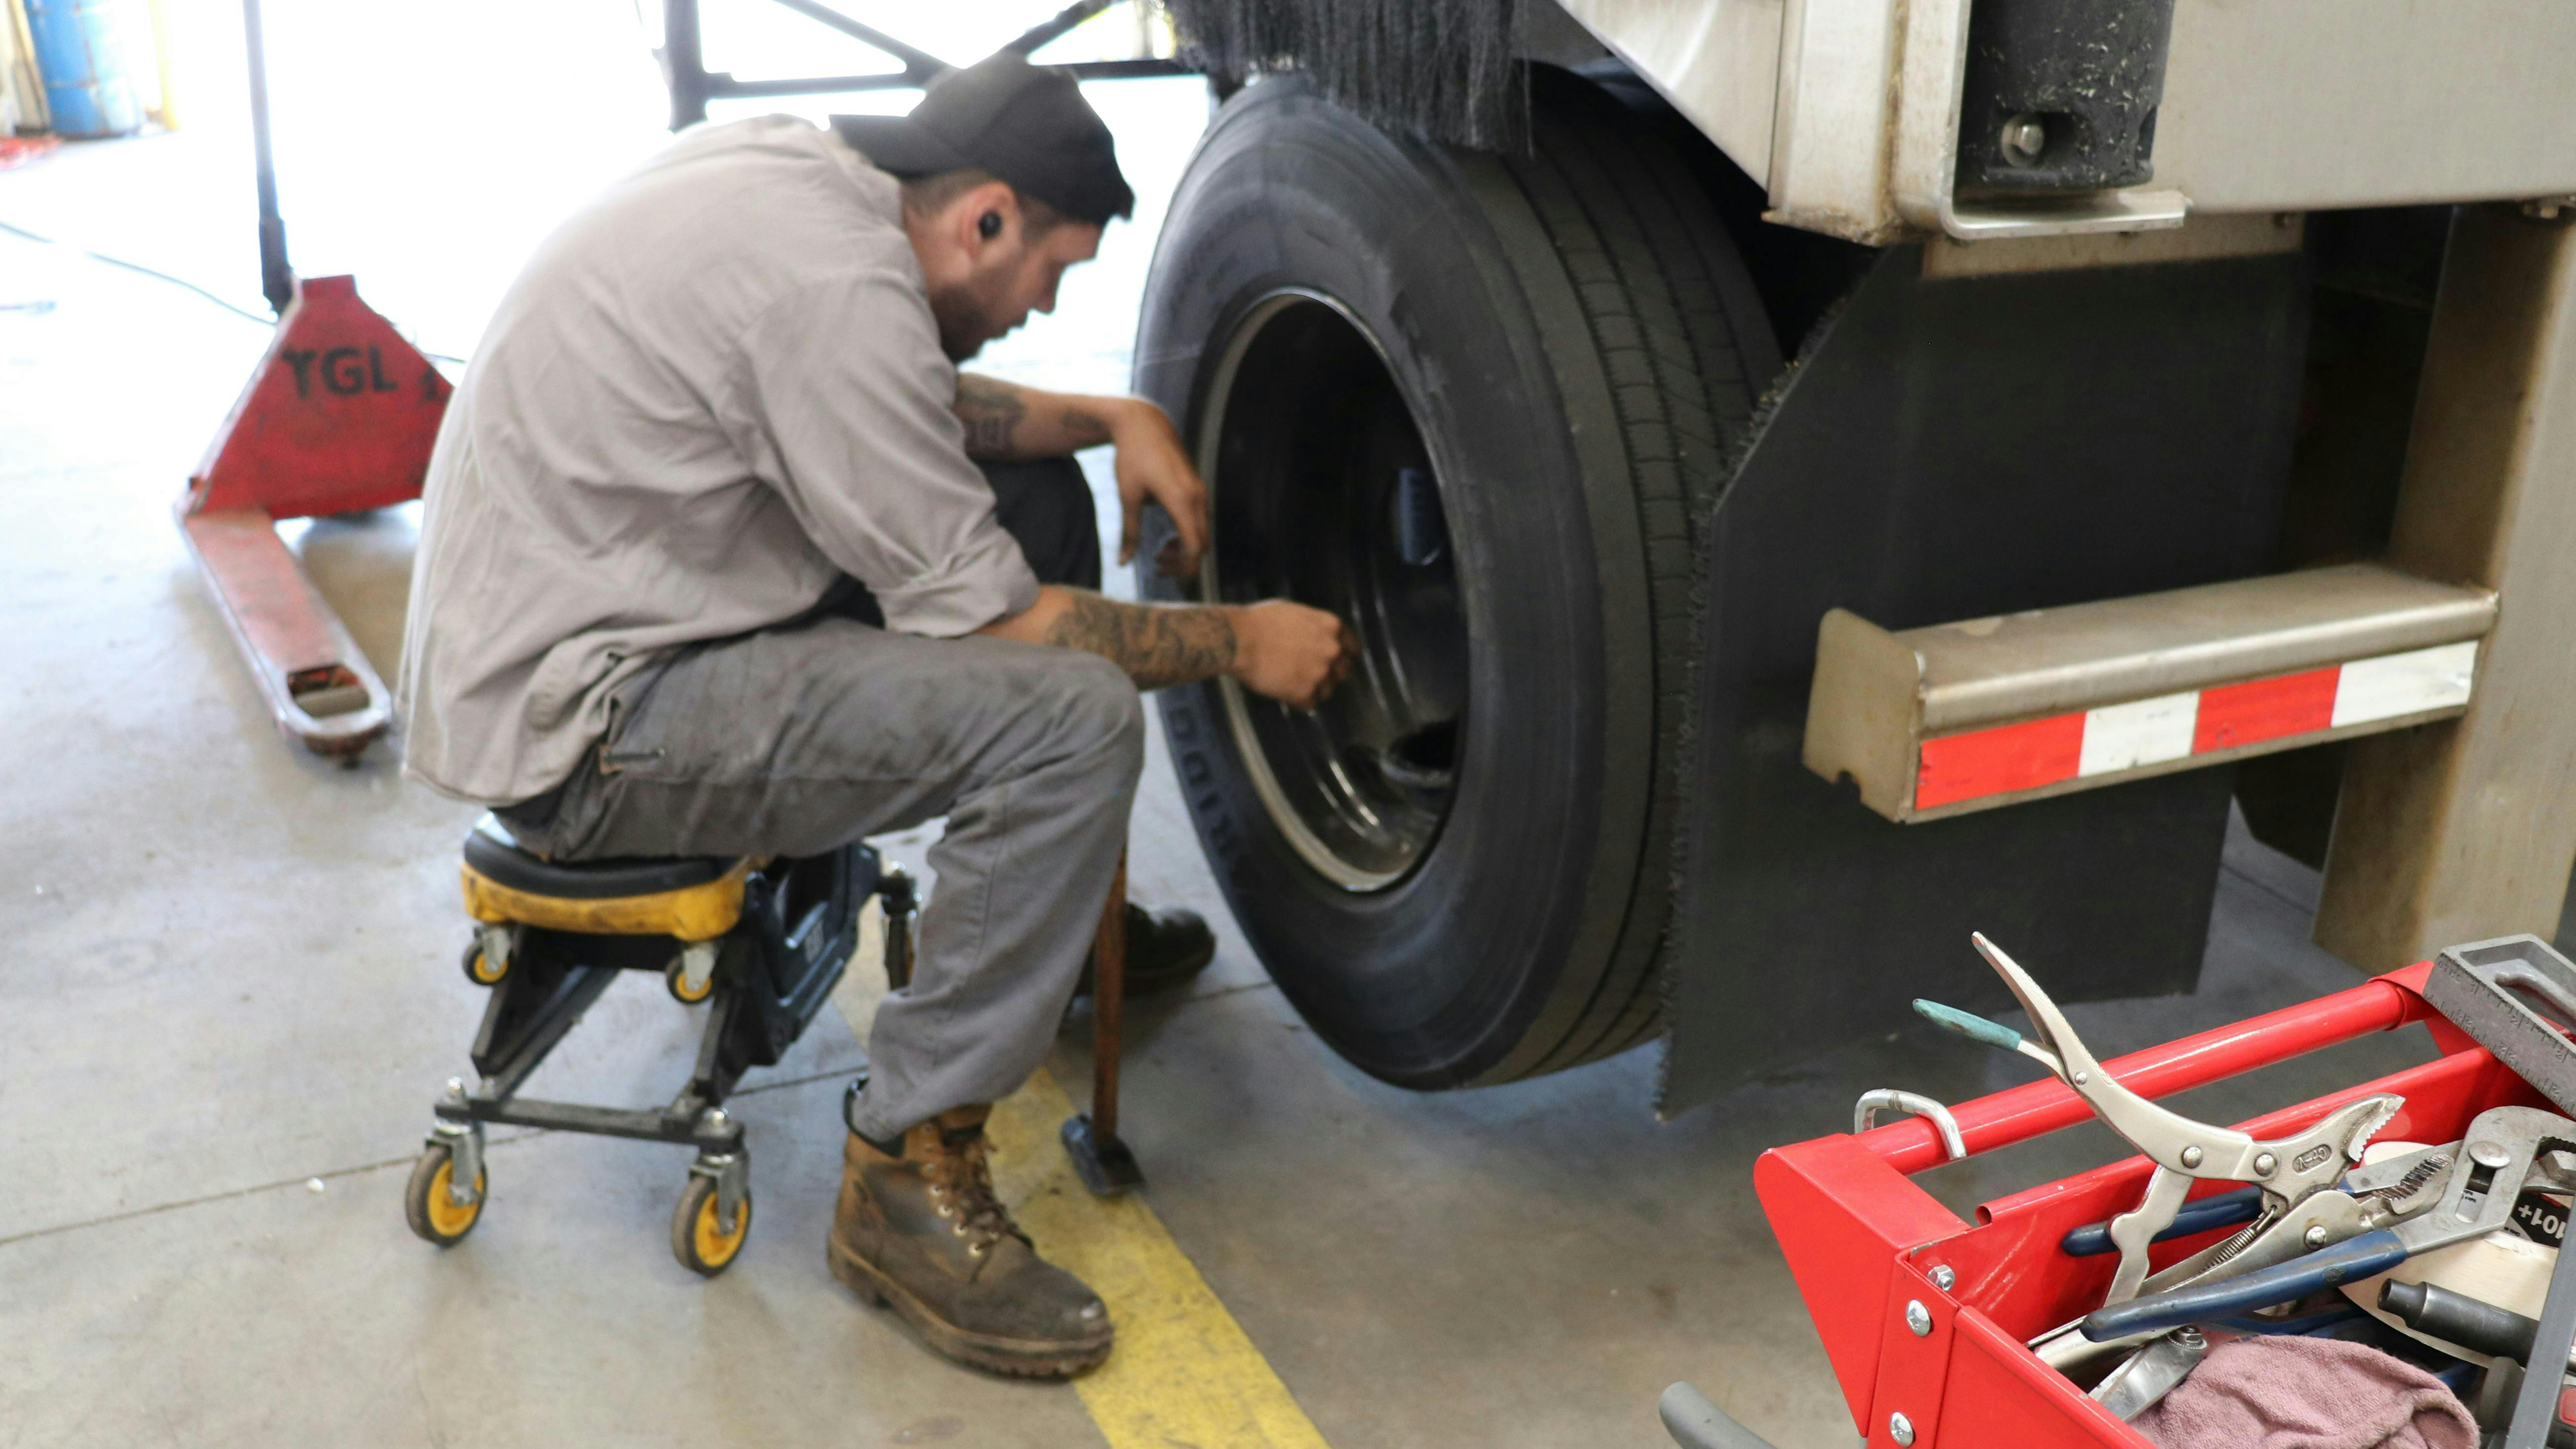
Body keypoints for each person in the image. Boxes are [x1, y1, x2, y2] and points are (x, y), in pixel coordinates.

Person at [396, 53, 1354, 1377]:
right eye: (1053, 275)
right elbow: (998, 624)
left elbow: (904, 401)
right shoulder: (833, 288)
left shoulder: (812, 185)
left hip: (621, 607)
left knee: (1038, 507)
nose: (1042, 306)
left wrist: (1109, 414)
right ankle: (906, 1172)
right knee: (1072, 718)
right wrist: (1241, 641)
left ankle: (1043, 923)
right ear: (987, 220)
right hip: (600, 724)